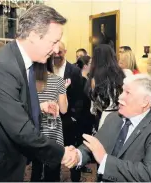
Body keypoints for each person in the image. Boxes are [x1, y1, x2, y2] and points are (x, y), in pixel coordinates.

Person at [0, 5, 77, 181]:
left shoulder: (19, 60)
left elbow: (12, 105)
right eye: (53, 42)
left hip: (8, 156)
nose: (56, 50)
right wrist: (61, 153)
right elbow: (20, 129)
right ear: (32, 35)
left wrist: (39, 107)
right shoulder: (3, 67)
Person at [64, 74, 151, 182]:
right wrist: (77, 155)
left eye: (127, 93)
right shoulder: (113, 118)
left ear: (145, 101)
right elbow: (95, 144)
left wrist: (104, 160)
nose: (120, 97)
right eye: (122, 91)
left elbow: (148, 175)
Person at [30, 57, 70, 182]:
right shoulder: (58, 80)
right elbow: (64, 110)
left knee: (36, 167)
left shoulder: (28, 80)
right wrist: (64, 91)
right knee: (53, 167)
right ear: (50, 62)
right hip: (53, 127)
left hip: (35, 128)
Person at [53, 42, 84, 182]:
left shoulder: (74, 71)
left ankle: (75, 179)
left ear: (65, 52)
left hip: (68, 118)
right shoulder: (46, 68)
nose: (57, 54)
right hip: (51, 118)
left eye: (60, 52)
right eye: (55, 52)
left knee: (72, 150)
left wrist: (73, 117)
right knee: (53, 152)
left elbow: (79, 97)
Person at [88, 44, 125, 130]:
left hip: (105, 117)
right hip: (121, 116)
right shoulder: (120, 74)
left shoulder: (95, 78)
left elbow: (93, 109)